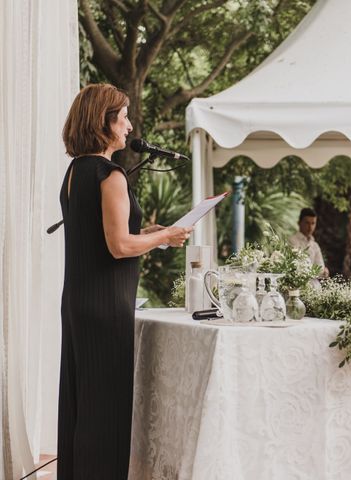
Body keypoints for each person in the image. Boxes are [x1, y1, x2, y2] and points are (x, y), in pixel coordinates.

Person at [58, 84, 192, 478]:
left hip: (78, 302)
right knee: (106, 408)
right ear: (105, 122)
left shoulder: (75, 171)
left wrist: (148, 231)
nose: (131, 125)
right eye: (125, 117)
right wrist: (165, 237)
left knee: (81, 405)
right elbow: (118, 246)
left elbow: (99, 234)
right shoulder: (109, 174)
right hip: (105, 307)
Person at [289, 207, 329, 277]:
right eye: (307, 223)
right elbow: (297, 267)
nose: (310, 227)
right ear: (299, 223)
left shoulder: (315, 245)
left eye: (313, 223)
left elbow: (321, 270)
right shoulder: (292, 241)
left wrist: (322, 272)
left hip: (315, 284)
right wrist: (319, 272)